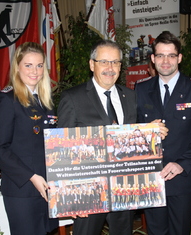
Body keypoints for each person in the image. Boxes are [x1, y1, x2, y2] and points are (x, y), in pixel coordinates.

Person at [57, 39, 168, 235]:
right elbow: (63, 151)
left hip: (123, 189)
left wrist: (152, 131)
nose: (110, 68)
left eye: (115, 62)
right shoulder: (72, 98)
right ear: (92, 65)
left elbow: (133, 137)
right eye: (104, 62)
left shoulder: (130, 96)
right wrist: (72, 198)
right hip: (88, 193)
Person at [135, 31, 191, 235]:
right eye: (160, 55)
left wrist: (181, 164)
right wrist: (145, 130)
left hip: (182, 179)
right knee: (155, 232)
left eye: (171, 55)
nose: (165, 61)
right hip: (151, 177)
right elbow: (132, 128)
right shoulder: (141, 90)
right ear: (153, 59)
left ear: (179, 58)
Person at [0, 42, 58, 235]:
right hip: (23, 191)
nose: (35, 71)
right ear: (17, 67)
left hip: (47, 188)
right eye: (28, 65)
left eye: (39, 65)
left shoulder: (45, 101)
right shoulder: (7, 100)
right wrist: (31, 176)